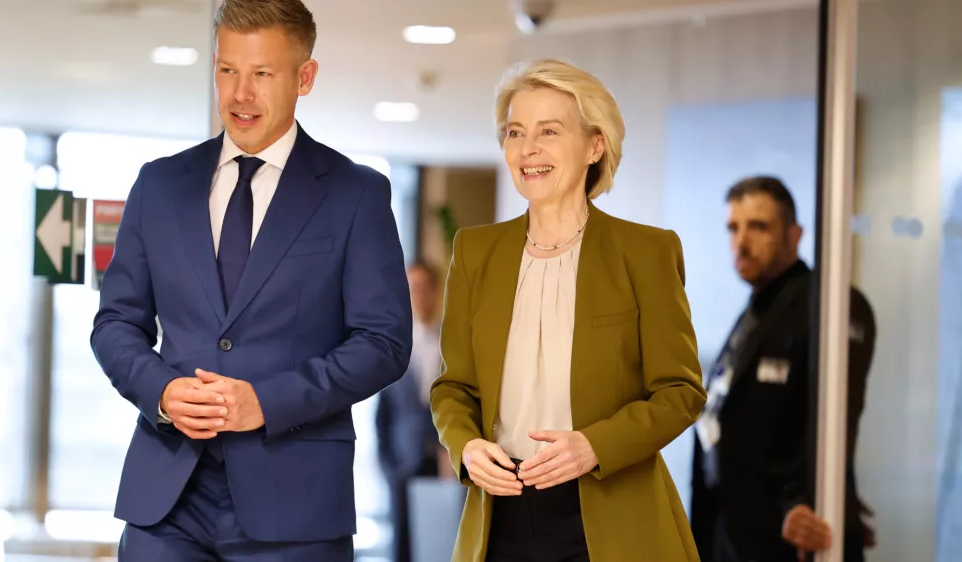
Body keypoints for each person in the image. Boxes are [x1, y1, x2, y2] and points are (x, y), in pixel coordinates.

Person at [90, 1, 412, 560]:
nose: (240, 94)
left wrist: (267, 401)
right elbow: (116, 321)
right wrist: (161, 391)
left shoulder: (355, 193)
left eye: (262, 74)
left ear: (304, 77)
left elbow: (383, 343)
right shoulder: (159, 184)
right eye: (227, 70)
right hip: (167, 501)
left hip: (297, 506)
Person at [430, 58, 707, 562]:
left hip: (612, 518)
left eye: (549, 131)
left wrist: (595, 445)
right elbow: (453, 387)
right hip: (500, 516)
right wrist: (466, 447)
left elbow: (680, 392)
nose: (528, 148)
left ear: (594, 145)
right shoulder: (474, 250)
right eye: (515, 132)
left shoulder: (645, 252)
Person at [689, 176, 877, 562]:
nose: (741, 241)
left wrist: (810, 498)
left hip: (793, 535)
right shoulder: (755, 311)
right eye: (733, 227)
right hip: (733, 533)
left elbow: (838, 420)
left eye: (758, 226)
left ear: (795, 234)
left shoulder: (829, 303)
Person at [375, 261, 446, 562]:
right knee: (402, 548)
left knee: (438, 543)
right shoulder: (391, 346)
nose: (417, 293)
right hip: (402, 461)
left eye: (423, 286)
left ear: (435, 291)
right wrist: (387, 465)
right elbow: (382, 414)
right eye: (411, 287)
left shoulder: (449, 343)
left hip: (442, 463)